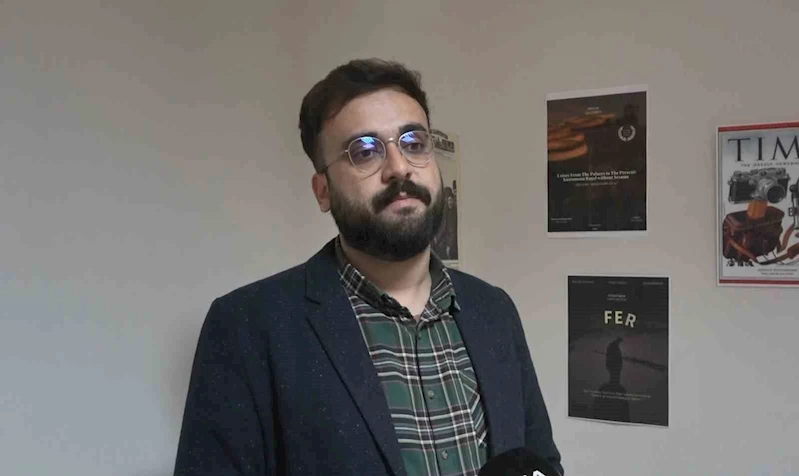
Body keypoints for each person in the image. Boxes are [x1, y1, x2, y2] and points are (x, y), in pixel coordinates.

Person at [174, 58, 562, 476]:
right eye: (364, 151)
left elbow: (542, 463)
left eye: (414, 143)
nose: (399, 167)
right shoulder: (248, 328)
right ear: (323, 191)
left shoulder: (494, 310)